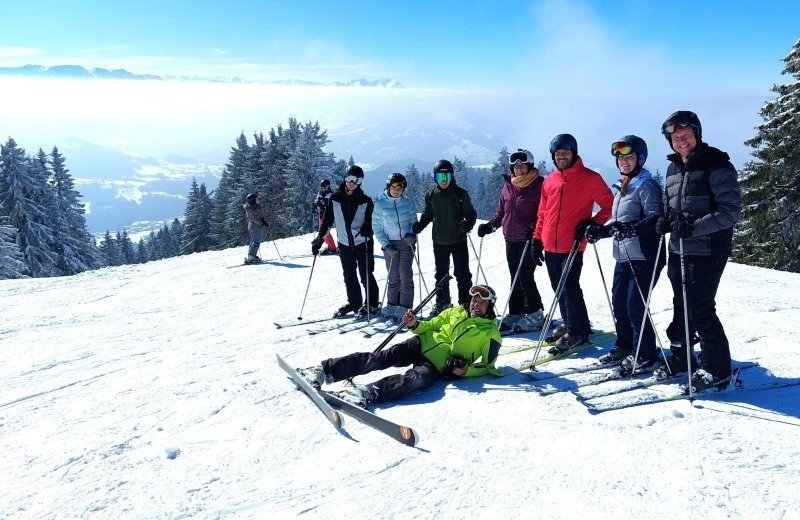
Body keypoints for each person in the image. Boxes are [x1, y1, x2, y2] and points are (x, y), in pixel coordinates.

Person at [297, 285, 502, 406]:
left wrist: (467, 370)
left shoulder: (491, 334)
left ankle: (366, 392)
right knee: (380, 358)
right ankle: (323, 370)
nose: (476, 304)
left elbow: (488, 367)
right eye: (474, 299)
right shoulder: (455, 311)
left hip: (438, 364)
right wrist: (415, 324)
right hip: (421, 342)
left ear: (489, 306)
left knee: (413, 381)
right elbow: (431, 325)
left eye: (481, 302)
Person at [655, 111, 741, 391]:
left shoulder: (716, 164)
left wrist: (692, 227)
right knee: (681, 305)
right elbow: (673, 207)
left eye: (686, 136)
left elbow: (730, 212)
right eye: (676, 137)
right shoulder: (672, 168)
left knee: (701, 308)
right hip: (679, 248)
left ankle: (717, 369)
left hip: (708, 249)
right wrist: (666, 220)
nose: (681, 141)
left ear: (697, 135)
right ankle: (682, 357)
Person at [584, 136, 666, 375]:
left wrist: (630, 229)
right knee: (619, 302)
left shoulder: (646, 185)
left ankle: (645, 353)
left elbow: (654, 218)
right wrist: (601, 231)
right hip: (623, 255)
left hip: (644, 255)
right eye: (620, 157)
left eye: (629, 157)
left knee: (635, 305)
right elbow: (621, 224)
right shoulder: (623, 186)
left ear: (639, 159)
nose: (624, 161)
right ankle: (625, 345)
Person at [533, 134, 613, 354]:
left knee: (570, 289)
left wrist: (592, 224)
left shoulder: (590, 178)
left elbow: (609, 205)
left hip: (573, 244)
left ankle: (578, 332)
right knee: (558, 288)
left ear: (574, 154)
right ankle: (572, 324)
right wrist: (537, 239)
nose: (561, 157)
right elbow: (542, 213)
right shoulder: (550, 180)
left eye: (565, 153)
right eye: (558, 154)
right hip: (550, 244)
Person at [477, 148, 545, 332]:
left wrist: (535, 231)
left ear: (530, 166)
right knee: (515, 276)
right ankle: (517, 311)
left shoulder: (539, 185)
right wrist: (490, 226)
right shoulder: (509, 185)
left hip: (530, 239)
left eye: (523, 166)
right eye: (515, 166)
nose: (519, 169)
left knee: (525, 276)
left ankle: (536, 313)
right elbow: (501, 213)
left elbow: (544, 213)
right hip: (511, 238)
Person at [312, 165, 380, 319]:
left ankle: (372, 304)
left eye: (357, 180)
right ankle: (354, 303)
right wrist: (319, 240)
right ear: (345, 178)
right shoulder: (335, 198)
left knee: (366, 274)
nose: (352, 183)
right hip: (344, 244)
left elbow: (372, 222)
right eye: (350, 178)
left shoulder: (366, 201)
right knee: (349, 275)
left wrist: (368, 228)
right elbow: (327, 221)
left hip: (363, 244)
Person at [412, 159, 477, 316]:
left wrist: (469, 224)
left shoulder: (460, 194)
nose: (444, 181)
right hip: (439, 241)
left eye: (447, 177)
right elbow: (428, 214)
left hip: (459, 240)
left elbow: (471, 214)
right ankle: (443, 302)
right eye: (440, 178)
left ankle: (465, 303)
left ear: (452, 176)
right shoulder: (431, 195)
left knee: (462, 274)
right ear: (435, 178)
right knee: (441, 274)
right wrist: (420, 226)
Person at [373, 172, 419, 321]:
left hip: (406, 244)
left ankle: (405, 307)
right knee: (393, 276)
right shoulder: (380, 205)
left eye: (400, 187)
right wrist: (386, 246)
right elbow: (377, 228)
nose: (397, 190)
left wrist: (412, 235)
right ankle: (392, 304)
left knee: (405, 275)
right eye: (394, 186)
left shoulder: (407, 202)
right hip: (390, 245)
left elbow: (414, 221)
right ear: (389, 187)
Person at [312, 179, 337, 255]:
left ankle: (332, 247)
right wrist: (316, 206)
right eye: (322, 187)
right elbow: (316, 201)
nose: (324, 188)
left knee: (326, 232)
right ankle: (330, 246)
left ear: (328, 187)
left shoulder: (330, 195)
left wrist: (323, 203)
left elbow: (331, 206)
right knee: (322, 231)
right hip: (321, 214)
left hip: (327, 216)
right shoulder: (320, 193)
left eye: (325, 187)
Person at [243, 192, 269, 264]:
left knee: (253, 242)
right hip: (255, 227)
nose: (258, 200)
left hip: (254, 227)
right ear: (252, 200)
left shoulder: (253, 207)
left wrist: (263, 220)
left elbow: (258, 216)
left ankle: (251, 256)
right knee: (256, 242)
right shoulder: (251, 209)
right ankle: (252, 257)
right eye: (256, 199)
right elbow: (253, 219)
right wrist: (262, 223)